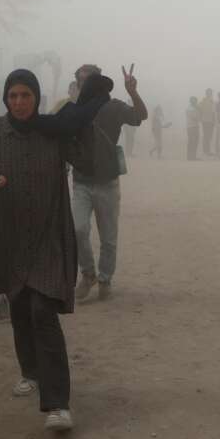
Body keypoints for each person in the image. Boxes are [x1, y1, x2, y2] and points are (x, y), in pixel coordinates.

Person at [0, 69, 110, 432]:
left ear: (37, 98)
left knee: (43, 310)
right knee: (21, 306)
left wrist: (83, 121)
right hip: (8, 236)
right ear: (5, 99)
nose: (19, 102)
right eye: (13, 96)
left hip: (48, 236)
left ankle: (58, 405)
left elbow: (86, 160)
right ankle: (30, 371)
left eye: (26, 95)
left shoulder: (53, 131)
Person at [72, 63, 148, 301]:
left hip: (107, 182)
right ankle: (88, 274)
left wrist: (133, 91)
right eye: (81, 81)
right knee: (78, 229)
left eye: (89, 81)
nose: (84, 85)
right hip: (81, 182)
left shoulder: (113, 107)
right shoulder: (71, 109)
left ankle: (105, 279)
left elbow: (140, 116)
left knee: (108, 238)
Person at [198, 89, 216, 156]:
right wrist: (200, 117)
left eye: (211, 93)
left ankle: (207, 150)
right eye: (208, 93)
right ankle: (206, 151)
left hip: (211, 121)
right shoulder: (203, 101)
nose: (210, 94)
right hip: (205, 121)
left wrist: (214, 120)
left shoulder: (212, 101)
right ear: (206, 93)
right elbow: (199, 108)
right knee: (206, 136)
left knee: (209, 136)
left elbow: (214, 112)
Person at [186, 97, 201, 161]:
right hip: (191, 127)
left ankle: (193, 156)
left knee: (195, 142)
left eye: (195, 101)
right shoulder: (190, 109)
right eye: (194, 101)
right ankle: (190, 157)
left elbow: (197, 117)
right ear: (191, 101)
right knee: (192, 142)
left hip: (195, 126)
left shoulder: (194, 108)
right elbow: (195, 117)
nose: (195, 102)